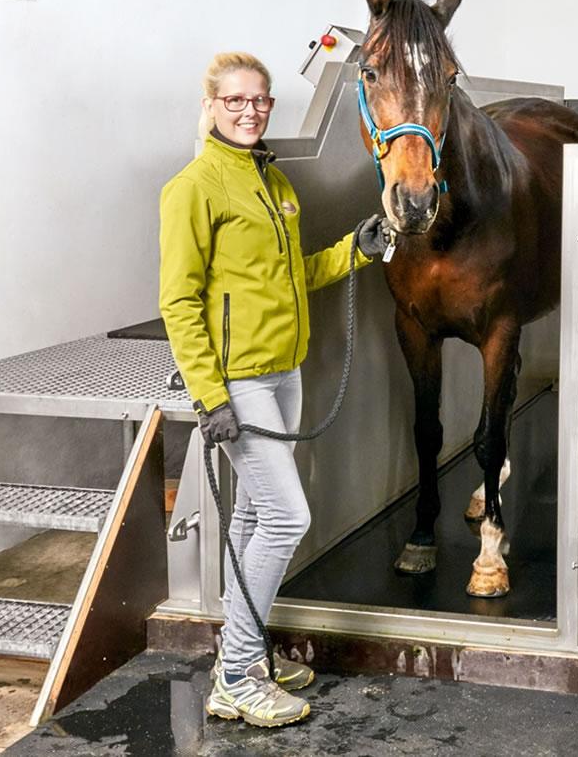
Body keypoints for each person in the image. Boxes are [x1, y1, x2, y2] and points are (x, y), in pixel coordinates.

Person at [159, 52, 387, 727]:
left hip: (282, 372)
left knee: (257, 517)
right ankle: (234, 676)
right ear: (210, 105)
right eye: (236, 101)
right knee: (288, 516)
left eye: (260, 101)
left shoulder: (274, 183)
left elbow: (293, 275)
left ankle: (247, 647)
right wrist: (211, 396)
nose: (251, 111)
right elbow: (179, 302)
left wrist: (356, 251)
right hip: (237, 381)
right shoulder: (193, 188)